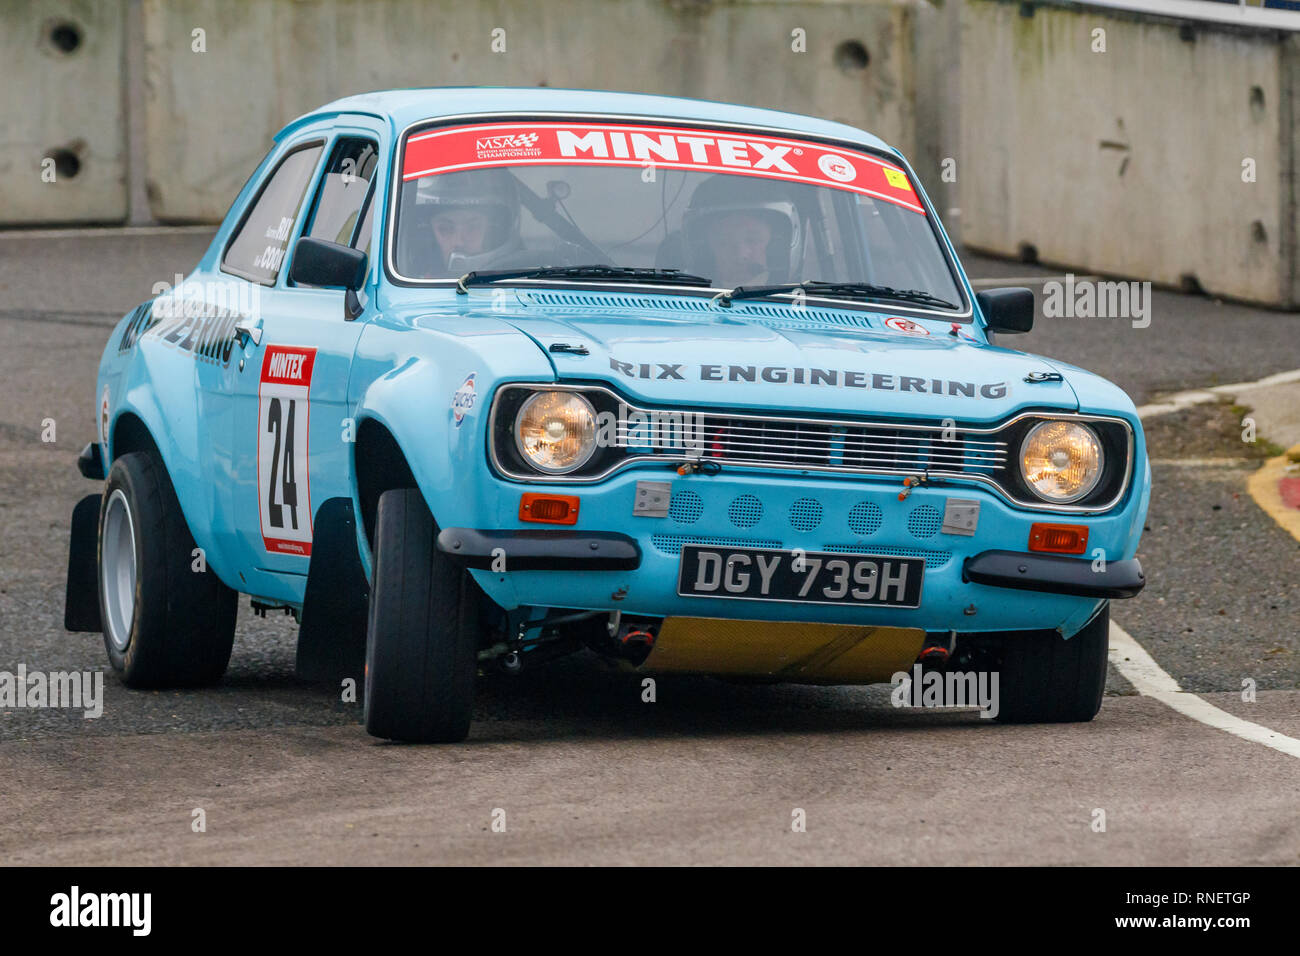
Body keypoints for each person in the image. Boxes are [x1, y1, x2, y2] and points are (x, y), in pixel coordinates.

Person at [680, 175, 805, 287]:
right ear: (705, 250)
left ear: (775, 245)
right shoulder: (679, 296)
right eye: (724, 242)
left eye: (753, 240)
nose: (741, 255)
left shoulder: (802, 304)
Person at [412, 168, 522, 276]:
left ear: (494, 231)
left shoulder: (522, 280)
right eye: (445, 229)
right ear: (428, 235)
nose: (459, 242)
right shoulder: (404, 283)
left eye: (473, 227)